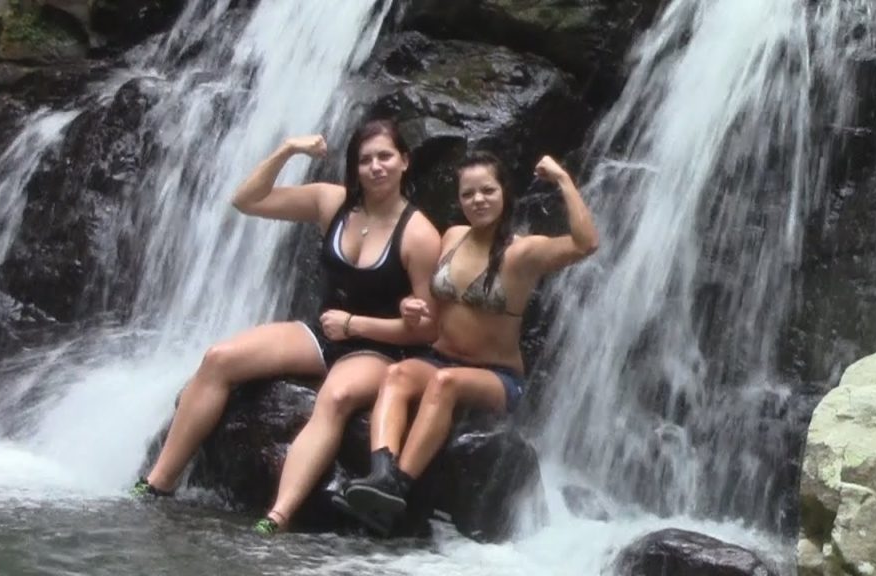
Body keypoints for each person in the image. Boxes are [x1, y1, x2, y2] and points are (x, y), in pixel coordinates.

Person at [132, 119, 441, 536]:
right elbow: (247, 200)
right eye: (365, 160)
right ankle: (158, 483)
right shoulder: (332, 204)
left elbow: (426, 333)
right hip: (324, 333)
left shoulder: (419, 235)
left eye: (385, 157)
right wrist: (288, 150)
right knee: (219, 359)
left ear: (404, 161)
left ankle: (277, 515)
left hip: (381, 346)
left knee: (335, 397)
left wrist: (355, 324)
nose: (376, 167)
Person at [340, 151, 598, 534]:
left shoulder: (523, 252)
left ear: (504, 194)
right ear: (459, 200)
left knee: (445, 385)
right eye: (468, 194)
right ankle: (381, 473)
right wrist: (414, 310)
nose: (478, 200)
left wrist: (562, 178)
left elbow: (586, 244)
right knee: (396, 374)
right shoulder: (453, 237)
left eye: (488, 191)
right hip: (439, 357)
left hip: (496, 377)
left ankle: (399, 488)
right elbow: (437, 310)